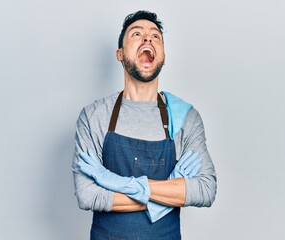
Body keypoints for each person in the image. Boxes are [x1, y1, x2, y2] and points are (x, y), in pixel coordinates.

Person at [72, 10, 217, 240]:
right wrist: (169, 190)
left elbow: (205, 189)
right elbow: (88, 195)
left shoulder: (184, 117)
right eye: (136, 34)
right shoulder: (94, 116)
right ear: (120, 54)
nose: (147, 39)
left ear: (164, 56)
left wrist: (118, 183)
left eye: (155, 36)